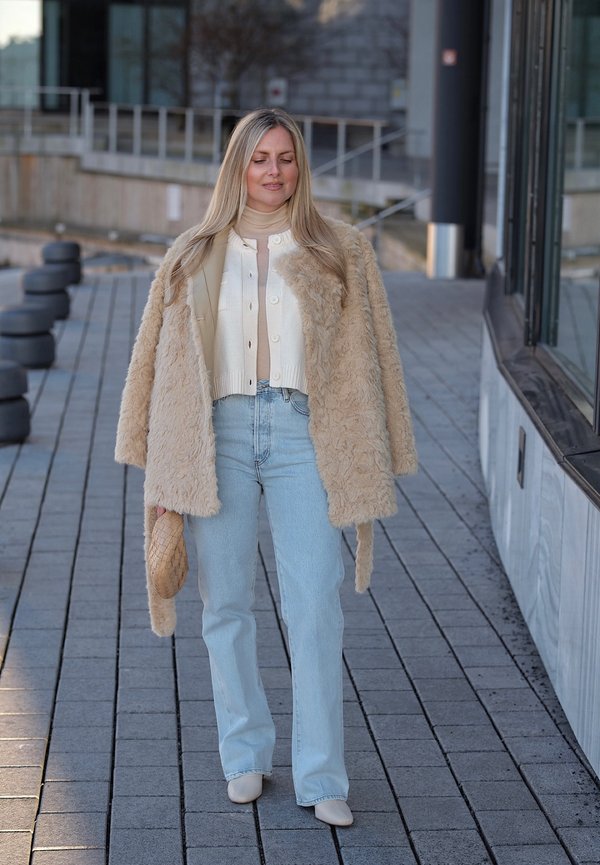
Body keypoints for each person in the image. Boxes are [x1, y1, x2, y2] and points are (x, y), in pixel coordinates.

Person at [115, 107, 417, 827]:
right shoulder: (193, 250)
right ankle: (245, 755)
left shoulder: (339, 247)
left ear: (300, 166)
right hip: (214, 432)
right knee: (224, 607)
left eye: (285, 157)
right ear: (237, 166)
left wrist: (387, 442)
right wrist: (162, 471)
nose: (274, 170)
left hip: (302, 432)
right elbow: (156, 362)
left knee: (314, 602)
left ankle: (321, 773)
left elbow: (378, 354)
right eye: (259, 158)